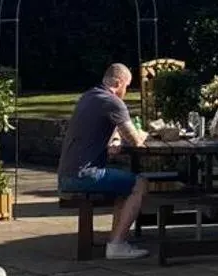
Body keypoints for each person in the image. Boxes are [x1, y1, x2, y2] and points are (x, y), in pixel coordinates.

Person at [57, 63, 150, 262]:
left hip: (68, 173)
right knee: (138, 183)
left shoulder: (89, 96)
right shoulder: (113, 102)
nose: (126, 91)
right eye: (127, 86)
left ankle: (116, 240)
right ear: (118, 83)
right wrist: (145, 133)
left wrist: (115, 140)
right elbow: (136, 141)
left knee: (124, 186)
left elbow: (105, 130)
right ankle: (116, 245)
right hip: (83, 174)